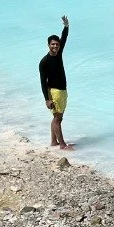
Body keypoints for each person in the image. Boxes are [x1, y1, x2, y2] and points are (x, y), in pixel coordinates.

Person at [39, 15, 73, 151]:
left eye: (57, 44)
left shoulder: (59, 54)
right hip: (55, 92)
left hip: (63, 90)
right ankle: (62, 145)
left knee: (57, 117)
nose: (55, 46)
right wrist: (47, 99)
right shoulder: (44, 62)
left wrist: (66, 26)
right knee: (57, 119)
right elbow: (42, 82)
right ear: (48, 45)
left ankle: (53, 142)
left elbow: (64, 38)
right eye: (52, 44)